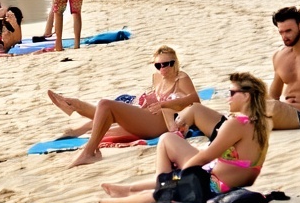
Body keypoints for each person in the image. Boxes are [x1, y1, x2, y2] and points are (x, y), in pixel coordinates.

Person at [98, 73, 271, 203]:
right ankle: (129, 189)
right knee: (167, 139)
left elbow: (205, 158)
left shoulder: (236, 124)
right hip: (223, 176)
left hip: (216, 184)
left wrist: (176, 179)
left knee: (165, 191)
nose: (229, 97)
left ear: (246, 96)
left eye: (232, 93)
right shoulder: (259, 122)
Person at [49, 46, 200, 166]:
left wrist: (165, 103)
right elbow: (155, 95)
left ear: (175, 63)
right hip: (147, 116)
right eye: (158, 65)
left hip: (160, 123)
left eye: (167, 64)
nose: (162, 69)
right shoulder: (157, 77)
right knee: (104, 125)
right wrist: (148, 99)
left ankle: (85, 144)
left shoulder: (181, 78)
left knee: (105, 105)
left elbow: (196, 101)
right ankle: (76, 126)